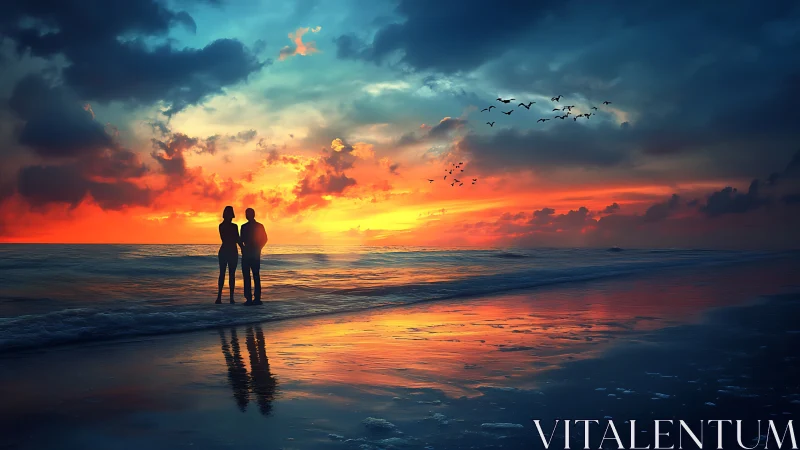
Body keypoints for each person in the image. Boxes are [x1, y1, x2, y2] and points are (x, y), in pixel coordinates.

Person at [240, 208, 268, 306]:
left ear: (253, 214)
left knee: (253, 276)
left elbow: (264, 239)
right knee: (250, 276)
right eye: (246, 214)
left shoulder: (258, 226)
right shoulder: (244, 226)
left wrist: (258, 247)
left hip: (253, 253)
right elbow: (241, 239)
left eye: (248, 214)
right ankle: (251, 298)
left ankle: (254, 298)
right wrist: (243, 248)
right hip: (250, 253)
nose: (246, 215)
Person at [216, 205, 241, 304]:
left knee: (223, 274)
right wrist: (243, 248)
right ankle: (230, 298)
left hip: (224, 250)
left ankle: (220, 297)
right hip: (231, 250)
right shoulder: (233, 226)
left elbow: (232, 238)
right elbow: (237, 238)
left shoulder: (221, 226)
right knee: (231, 275)